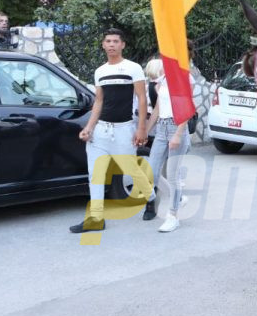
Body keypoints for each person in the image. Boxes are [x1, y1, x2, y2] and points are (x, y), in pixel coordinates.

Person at [70, 28, 151, 233]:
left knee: (130, 170)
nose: (112, 44)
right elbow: (99, 101)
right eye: (108, 41)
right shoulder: (100, 71)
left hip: (124, 129)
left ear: (122, 45)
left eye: (116, 41)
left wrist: (141, 128)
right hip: (100, 132)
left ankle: (151, 198)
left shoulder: (133, 68)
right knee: (95, 174)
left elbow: (142, 99)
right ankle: (96, 218)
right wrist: (89, 127)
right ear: (103, 45)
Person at [144, 58, 192, 232]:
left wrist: (178, 134)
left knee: (172, 176)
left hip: (177, 126)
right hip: (162, 129)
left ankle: (173, 216)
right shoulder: (162, 80)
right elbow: (157, 108)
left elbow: (187, 107)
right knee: (151, 171)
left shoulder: (182, 78)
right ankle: (178, 199)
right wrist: (145, 130)